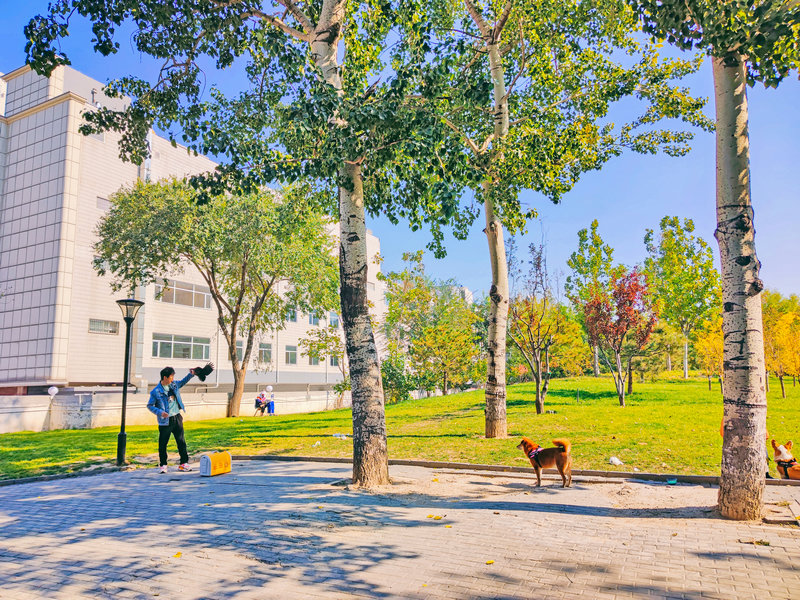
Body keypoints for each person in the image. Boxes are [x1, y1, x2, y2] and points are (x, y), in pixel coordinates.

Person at [147, 366, 196, 473]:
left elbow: (182, 382)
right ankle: (163, 465)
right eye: (171, 377)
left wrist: (191, 374)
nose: (172, 379)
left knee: (181, 442)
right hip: (165, 421)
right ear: (165, 377)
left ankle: (184, 464)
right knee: (163, 444)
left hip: (177, 417)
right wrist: (160, 412)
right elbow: (150, 405)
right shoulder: (156, 391)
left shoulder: (174, 385)